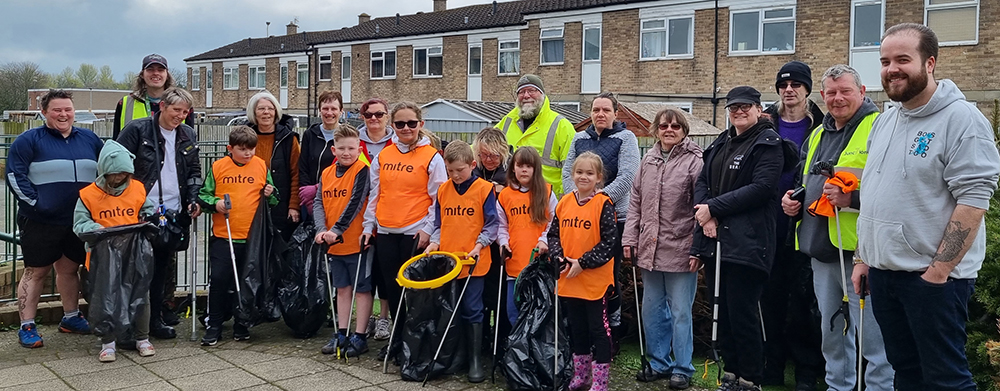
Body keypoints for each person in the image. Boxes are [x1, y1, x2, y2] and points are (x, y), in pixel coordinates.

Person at [858, 23, 1000, 391]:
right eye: (885, 61)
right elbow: (875, 192)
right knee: (906, 373)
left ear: (930, 62)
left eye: (903, 59)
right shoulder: (886, 120)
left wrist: (938, 273)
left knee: (945, 380)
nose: (892, 69)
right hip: (885, 275)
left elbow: (974, 199)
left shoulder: (963, 120)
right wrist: (864, 259)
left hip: (932, 279)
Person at [781, 64, 894, 391]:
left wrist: (853, 199)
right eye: (831, 92)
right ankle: (838, 387)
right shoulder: (817, 133)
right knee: (832, 334)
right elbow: (807, 180)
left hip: (862, 255)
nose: (837, 98)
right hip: (821, 250)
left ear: (862, 92)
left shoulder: (878, 128)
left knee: (873, 340)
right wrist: (794, 201)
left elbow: (892, 191)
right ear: (822, 95)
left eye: (845, 91)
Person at [690, 86, 797, 391]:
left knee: (743, 314)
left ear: (758, 108)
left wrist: (713, 209)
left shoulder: (769, 143)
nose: (738, 111)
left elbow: (761, 188)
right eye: (733, 107)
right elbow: (703, 181)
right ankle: (731, 374)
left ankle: (751, 378)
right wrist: (705, 212)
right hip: (717, 241)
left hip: (749, 243)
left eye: (745, 106)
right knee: (721, 311)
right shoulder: (721, 142)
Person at [6, 89, 103, 348]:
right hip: (40, 220)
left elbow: (104, 173)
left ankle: (70, 317)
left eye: (68, 109)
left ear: (74, 111)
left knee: (70, 269)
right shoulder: (28, 140)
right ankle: (27, 325)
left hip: (78, 220)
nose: (63, 114)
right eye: (57, 110)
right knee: (36, 272)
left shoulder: (91, 139)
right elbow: (14, 176)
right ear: (44, 113)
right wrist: (37, 204)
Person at [622, 107, 703, 389]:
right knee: (652, 308)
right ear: (656, 129)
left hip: (681, 246)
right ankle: (659, 363)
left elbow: (700, 207)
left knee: (681, 311)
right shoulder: (648, 160)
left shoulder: (696, 161)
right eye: (664, 125)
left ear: (684, 130)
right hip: (649, 248)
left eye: (676, 126)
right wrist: (629, 239)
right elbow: (636, 202)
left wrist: (698, 248)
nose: (669, 130)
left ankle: (683, 367)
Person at [362, 102, 447, 361]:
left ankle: (415, 343)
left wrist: (429, 231)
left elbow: (439, 199)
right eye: (400, 124)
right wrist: (369, 226)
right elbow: (375, 194)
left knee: (416, 292)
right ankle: (396, 341)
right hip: (386, 231)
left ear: (420, 125)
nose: (406, 128)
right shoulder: (383, 156)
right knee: (393, 289)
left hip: (415, 233)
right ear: (393, 126)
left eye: (411, 123)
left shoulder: (432, 157)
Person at [113, 55, 194, 328]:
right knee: (134, 268)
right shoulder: (137, 128)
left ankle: (155, 319)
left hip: (171, 210)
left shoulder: (188, 134)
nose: (180, 117)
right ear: (163, 107)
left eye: (185, 113)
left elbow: (193, 170)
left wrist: (192, 200)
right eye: (176, 112)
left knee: (161, 267)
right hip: (139, 209)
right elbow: (116, 162)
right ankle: (129, 322)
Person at [759, 60, 825, 389]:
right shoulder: (765, 125)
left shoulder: (822, 128)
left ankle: (806, 370)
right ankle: (773, 364)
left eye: (796, 84)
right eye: (783, 85)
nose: (789, 90)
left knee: (803, 303)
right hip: (769, 228)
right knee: (770, 300)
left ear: (807, 90)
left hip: (807, 228)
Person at [562, 92, 640, 350]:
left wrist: (600, 200)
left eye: (606, 110)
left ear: (615, 113)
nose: (600, 114)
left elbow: (628, 175)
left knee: (608, 277)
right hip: (578, 220)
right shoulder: (579, 138)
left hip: (614, 218)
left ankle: (611, 332)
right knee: (578, 272)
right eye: (596, 110)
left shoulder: (625, 139)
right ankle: (582, 334)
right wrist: (575, 200)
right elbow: (567, 174)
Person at [73, 140, 157, 362]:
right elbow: (79, 224)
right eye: (114, 174)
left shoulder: (137, 187)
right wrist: (94, 228)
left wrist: (148, 217)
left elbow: (147, 209)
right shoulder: (88, 195)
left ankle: (142, 338)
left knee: (140, 296)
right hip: (103, 257)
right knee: (105, 298)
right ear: (104, 172)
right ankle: (108, 343)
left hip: (134, 253)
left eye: (123, 174)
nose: (119, 178)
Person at [425, 140, 500, 383]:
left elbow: (492, 225)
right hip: (447, 261)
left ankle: (475, 359)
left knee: (472, 308)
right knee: (451, 307)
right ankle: (456, 356)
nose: (456, 176)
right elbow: (439, 224)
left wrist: (479, 245)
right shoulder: (443, 190)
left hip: (473, 262)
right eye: (451, 171)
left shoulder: (485, 189)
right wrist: (434, 242)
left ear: (472, 165)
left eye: (461, 170)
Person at [198, 126, 278, 345]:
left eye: (252, 149)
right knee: (220, 281)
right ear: (230, 148)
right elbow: (203, 196)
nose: (249, 154)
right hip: (224, 235)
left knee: (246, 282)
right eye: (243, 149)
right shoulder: (218, 167)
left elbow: (273, 198)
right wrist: (217, 204)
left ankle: (242, 323)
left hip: (253, 238)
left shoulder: (261, 166)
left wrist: (271, 192)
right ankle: (214, 325)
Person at [548, 151, 617, 391]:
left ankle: (600, 381)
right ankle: (581, 375)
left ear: (599, 177)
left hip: (594, 280)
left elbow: (609, 243)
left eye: (589, 173)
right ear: (572, 174)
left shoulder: (604, 204)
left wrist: (583, 262)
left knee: (598, 328)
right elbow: (553, 234)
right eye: (579, 172)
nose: (583, 177)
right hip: (569, 278)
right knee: (576, 328)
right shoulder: (565, 202)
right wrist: (559, 256)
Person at [314, 125, 373, 358]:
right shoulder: (327, 173)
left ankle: (360, 336)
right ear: (333, 150)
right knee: (342, 289)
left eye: (351, 148)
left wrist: (337, 229)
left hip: (357, 242)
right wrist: (321, 229)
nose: (346, 152)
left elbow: (355, 203)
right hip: (334, 245)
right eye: (341, 148)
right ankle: (341, 332)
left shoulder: (362, 171)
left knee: (361, 289)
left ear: (359, 149)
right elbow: (319, 202)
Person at [497, 146, 556, 325]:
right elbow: (501, 226)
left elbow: (555, 222)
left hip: (538, 265)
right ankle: (518, 349)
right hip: (514, 265)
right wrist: (503, 243)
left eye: (529, 166)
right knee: (513, 310)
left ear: (535, 169)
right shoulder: (505, 195)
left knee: (537, 311)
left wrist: (544, 240)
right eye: (520, 165)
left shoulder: (546, 192)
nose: (524, 170)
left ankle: (534, 350)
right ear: (513, 168)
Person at [353, 97, 396, 341]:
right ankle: (365, 318)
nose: (374, 119)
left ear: (387, 116)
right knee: (364, 272)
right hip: (360, 216)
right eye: (369, 115)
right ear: (363, 117)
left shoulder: (397, 141)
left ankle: (383, 318)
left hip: (389, 215)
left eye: (379, 114)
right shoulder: (354, 142)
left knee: (384, 271)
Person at [496, 74, 575, 195]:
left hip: (548, 203)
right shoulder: (506, 121)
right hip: (512, 203)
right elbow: (480, 147)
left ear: (542, 94)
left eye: (532, 90)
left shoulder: (561, 126)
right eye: (521, 92)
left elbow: (573, 169)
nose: (526, 95)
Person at [470, 127, 510, 349]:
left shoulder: (509, 174)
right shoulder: (475, 171)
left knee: (501, 293)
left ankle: (502, 337)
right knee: (482, 293)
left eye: (494, 155)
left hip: (501, 241)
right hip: (478, 239)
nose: (489, 160)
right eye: (484, 155)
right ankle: (482, 337)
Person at [246, 91, 301, 241]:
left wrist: (294, 205)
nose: (266, 112)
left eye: (270, 108)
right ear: (254, 112)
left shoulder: (289, 139)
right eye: (261, 109)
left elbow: (297, 174)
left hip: (281, 207)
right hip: (249, 205)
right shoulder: (244, 137)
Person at [113, 54, 194, 140]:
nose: (156, 73)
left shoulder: (183, 104)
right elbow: (116, 141)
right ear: (142, 74)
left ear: (167, 75)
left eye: (160, 70)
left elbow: (190, 142)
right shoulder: (125, 103)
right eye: (150, 70)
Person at [299, 91, 345, 221]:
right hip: (310, 198)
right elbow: (303, 166)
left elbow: (347, 171)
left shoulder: (347, 135)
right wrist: (307, 196)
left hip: (336, 197)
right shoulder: (310, 134)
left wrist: (318, 189)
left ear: (341, 111)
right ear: (320, 110)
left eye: (334, 109)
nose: (329, 113)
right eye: (325, 108)